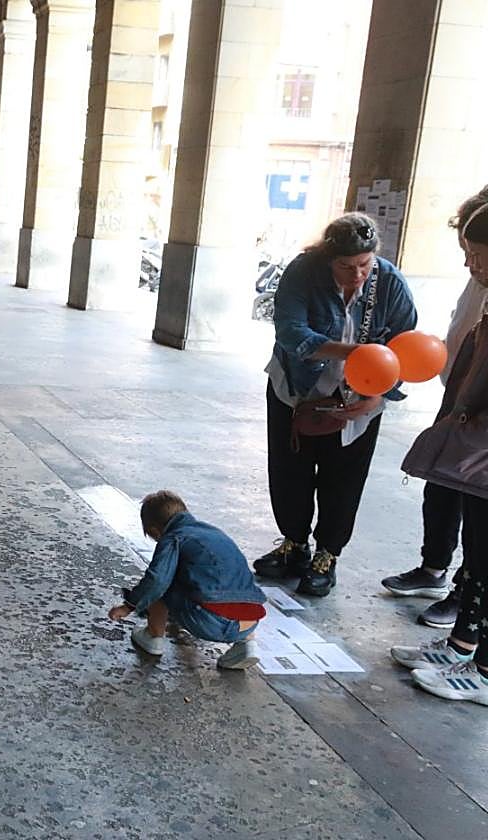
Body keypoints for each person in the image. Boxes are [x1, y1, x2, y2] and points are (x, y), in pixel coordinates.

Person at [254, 213, 417, 597]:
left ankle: (327, 555)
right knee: (289, 470)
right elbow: (292, 333)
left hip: (360, 399)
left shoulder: (390, 282)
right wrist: (358, 353)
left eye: (364, 264)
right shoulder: (303, 272)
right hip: (295, 389)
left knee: (343, 479)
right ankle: (294, 543)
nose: (357, 274)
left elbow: (405, 347)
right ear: (329, 258)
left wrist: (378, 394)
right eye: (346, 266)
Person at [389, 198, 488, 705]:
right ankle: (463, 644)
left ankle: (485, 668)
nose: (470, 265)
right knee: (477, 553)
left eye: (477, 253)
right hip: (475, 449)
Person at [107, 491, 267, 670]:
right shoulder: (215, 533)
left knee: (164, 579)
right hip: (250, 620)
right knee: (235, 588)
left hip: (209, 621)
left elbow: (157, 580)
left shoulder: (173, 538)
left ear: (154, 531)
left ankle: (153, 636)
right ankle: (247, 645)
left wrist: (128, 606)